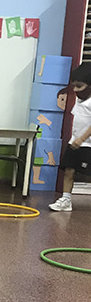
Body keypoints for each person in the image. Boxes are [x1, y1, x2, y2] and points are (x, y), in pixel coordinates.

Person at [49, 62, 91, 212]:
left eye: (79, 86)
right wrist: (75, 139)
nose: (75, 90)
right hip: (74, 142)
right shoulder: (79, 101)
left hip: (87, 144)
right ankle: (66, 199)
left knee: (87, 174)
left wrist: (82, 138)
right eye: (74, 86)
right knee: (68, 170)